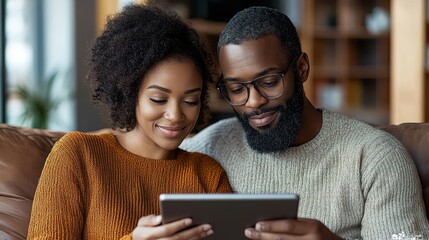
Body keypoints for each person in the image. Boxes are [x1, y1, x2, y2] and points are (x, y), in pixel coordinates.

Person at [180, 6, 429, 240]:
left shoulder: (375, 158)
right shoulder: (209, 149)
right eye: (236, 89)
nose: (253, 102)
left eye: (269, 82)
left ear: (301, 68)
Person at [27, 3, 232, 240]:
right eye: (158, 99)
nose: (175, 115)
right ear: (129, 92)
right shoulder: (78, 155)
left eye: (190, 100)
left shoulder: (208, 175)